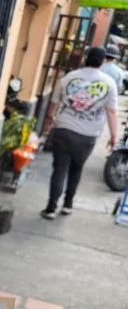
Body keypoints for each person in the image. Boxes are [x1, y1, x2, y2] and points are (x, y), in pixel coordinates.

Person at [41, 46, 118, 219]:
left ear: (86, 58)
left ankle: (51, 208)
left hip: (64, 129)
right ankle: (68, 205)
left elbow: (53, 101)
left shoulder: (68, 78)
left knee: (59, 169)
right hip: (88, 136)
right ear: (103, 61)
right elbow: (111, 112)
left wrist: (49, 117)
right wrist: (114, 136)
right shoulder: (109, 83)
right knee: (77, 169)